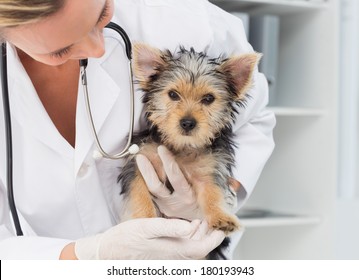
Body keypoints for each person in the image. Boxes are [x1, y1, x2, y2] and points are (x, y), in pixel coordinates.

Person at [0, 0, 275, 259]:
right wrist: (88, 255)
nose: (99, 49)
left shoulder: (183, 17)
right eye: (60, 50)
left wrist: (209, 192)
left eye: (102, 14)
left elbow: (255, 118)